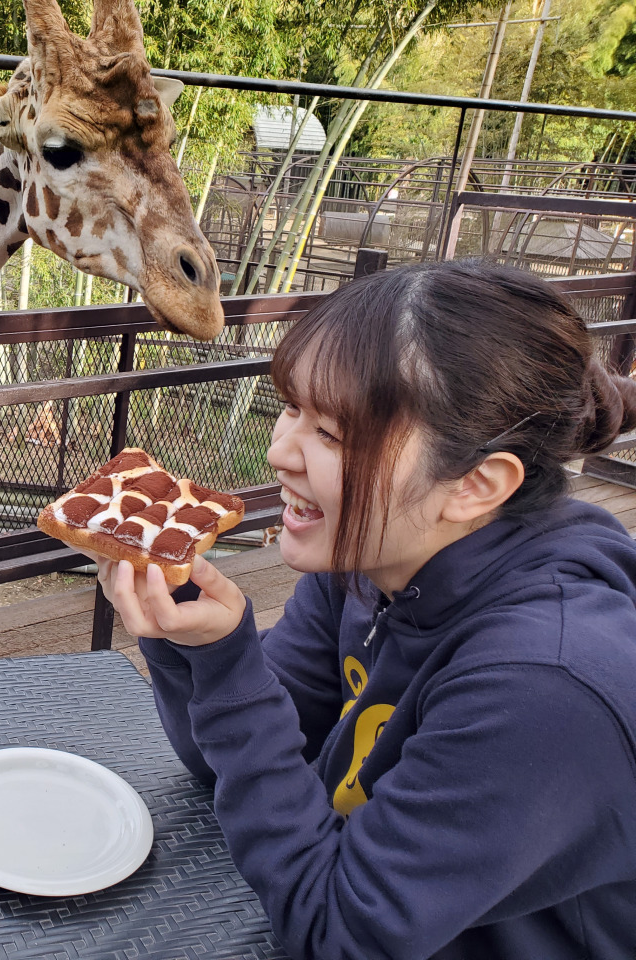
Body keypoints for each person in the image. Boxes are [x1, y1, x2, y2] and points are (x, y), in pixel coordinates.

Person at [89, 260, 636, 959]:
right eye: (291, 408)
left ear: (474, 485)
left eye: (334, 435)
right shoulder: (365, 566)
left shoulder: (549, 685)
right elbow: (231, 766)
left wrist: (229, 683)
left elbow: (338, 936)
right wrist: (208, 645)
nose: (279, 450)